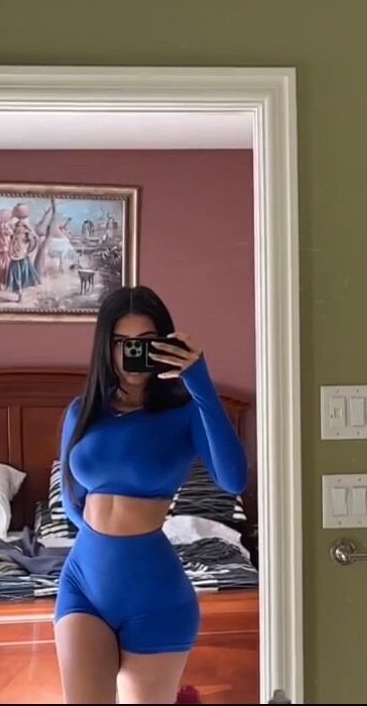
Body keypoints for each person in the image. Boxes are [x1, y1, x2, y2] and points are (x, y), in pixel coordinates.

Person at [53, 285, 248, 704]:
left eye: (145, 342)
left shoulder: (185, 412)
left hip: (154, 594)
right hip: (83, 583)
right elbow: (71, 502)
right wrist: (105, 543)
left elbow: (233, 480)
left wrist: (198, 377)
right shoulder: (82, 411)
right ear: (105, 346)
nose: (132, 353)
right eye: (121, 342)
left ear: (165, 343)